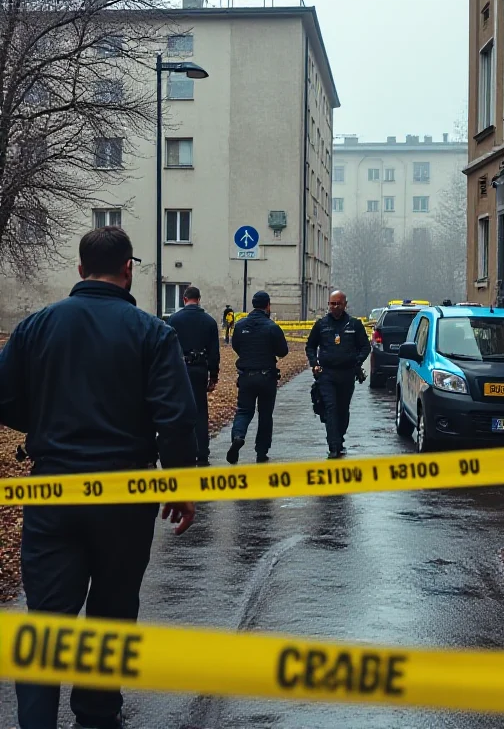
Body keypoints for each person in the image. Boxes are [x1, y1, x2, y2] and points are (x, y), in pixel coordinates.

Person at [0, 226, 198, 729]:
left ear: (80, 268)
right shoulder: (153, 333)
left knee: (46, 619)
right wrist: (178, 485)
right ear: (129, 268)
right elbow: (175, 419)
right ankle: (96, 714)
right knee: (112, 610)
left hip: (53, 491)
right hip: (124, 495)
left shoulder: (35, 327)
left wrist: (43, 422)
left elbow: (5, 399)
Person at [306, 290, 370, 459]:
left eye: (338, 304)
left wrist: (357, 362)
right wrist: (314, 364)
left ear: (345, 305)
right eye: (332, 304)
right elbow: (310, 347)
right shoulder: (321, 325)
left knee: (343, 409)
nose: (334, 307)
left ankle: (339, 438)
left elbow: (365, 347)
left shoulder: (354, 325)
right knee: (330, 408)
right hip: (327, 374)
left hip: (347, 374)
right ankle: (333, 445)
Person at [226, 291, 288, 464]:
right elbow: (283, 351)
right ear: (268, 305)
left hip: (246, 375)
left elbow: (236, 346)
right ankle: (261, 452)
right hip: (267, 376)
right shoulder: (272, 327)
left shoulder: (240, 325)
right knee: (265, 414)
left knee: (244, 411)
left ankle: (238, 436)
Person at [168, 285, 220, 466]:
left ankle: (180, 452)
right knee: (200, 412)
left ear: (184, 299)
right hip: (199, 370)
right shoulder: (209, 321)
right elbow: (214, 353)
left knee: (179, 411)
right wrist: (213, 376)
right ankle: (202, 453)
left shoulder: (173, 320)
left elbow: (167, 349)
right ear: (199, 299)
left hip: (179, 370)